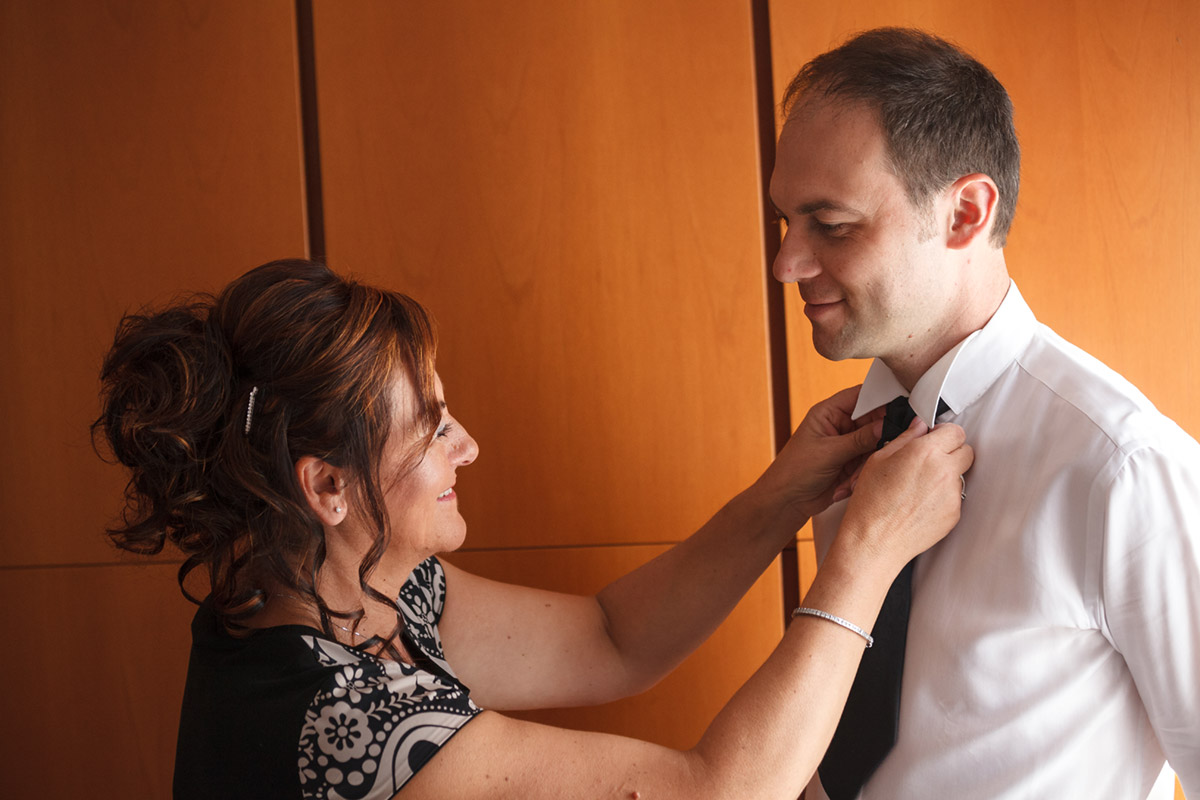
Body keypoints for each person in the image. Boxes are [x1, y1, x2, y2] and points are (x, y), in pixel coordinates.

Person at [93, 259, 971, 800]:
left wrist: (784, 493)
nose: (466, 445)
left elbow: (611, 638)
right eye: (433, 427)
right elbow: (719, 794)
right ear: (327, 487)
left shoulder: (339, 589)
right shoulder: (348, 725)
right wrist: (863, 558)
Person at [769, 27, 1200, 800]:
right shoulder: (852, 450)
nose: (787, 265)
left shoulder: (1121, 465)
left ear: (966, 213)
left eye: (831, 226)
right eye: (785, 223)